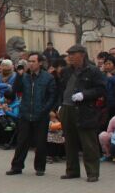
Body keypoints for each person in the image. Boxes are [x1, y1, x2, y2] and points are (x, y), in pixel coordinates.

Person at [58, 44, 107, 182]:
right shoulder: (67, 71)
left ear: (82, 55)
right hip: (67, 108)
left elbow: (101, 89)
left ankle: (92, 172)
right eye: (69, 54)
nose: (70, 57)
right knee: (70, 142)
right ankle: (72, 171)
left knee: (88, 143)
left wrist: (84, 95)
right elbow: (61, 89)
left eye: (73, 54)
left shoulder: (93, 71)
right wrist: (60, 105)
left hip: (84, 109)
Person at [6, 53, 57, 177]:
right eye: (29, 61)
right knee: (22, 141)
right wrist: (19, 75)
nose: (30, 63)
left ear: (40, 63)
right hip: (25, 113)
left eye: (33, 61)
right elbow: (15, 90)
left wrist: (45, 109)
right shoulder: (24, 77)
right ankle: (16, 166)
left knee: (40, 143)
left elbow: (52, 96)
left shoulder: (48, 78)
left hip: (41, 114)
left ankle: (40, 167)